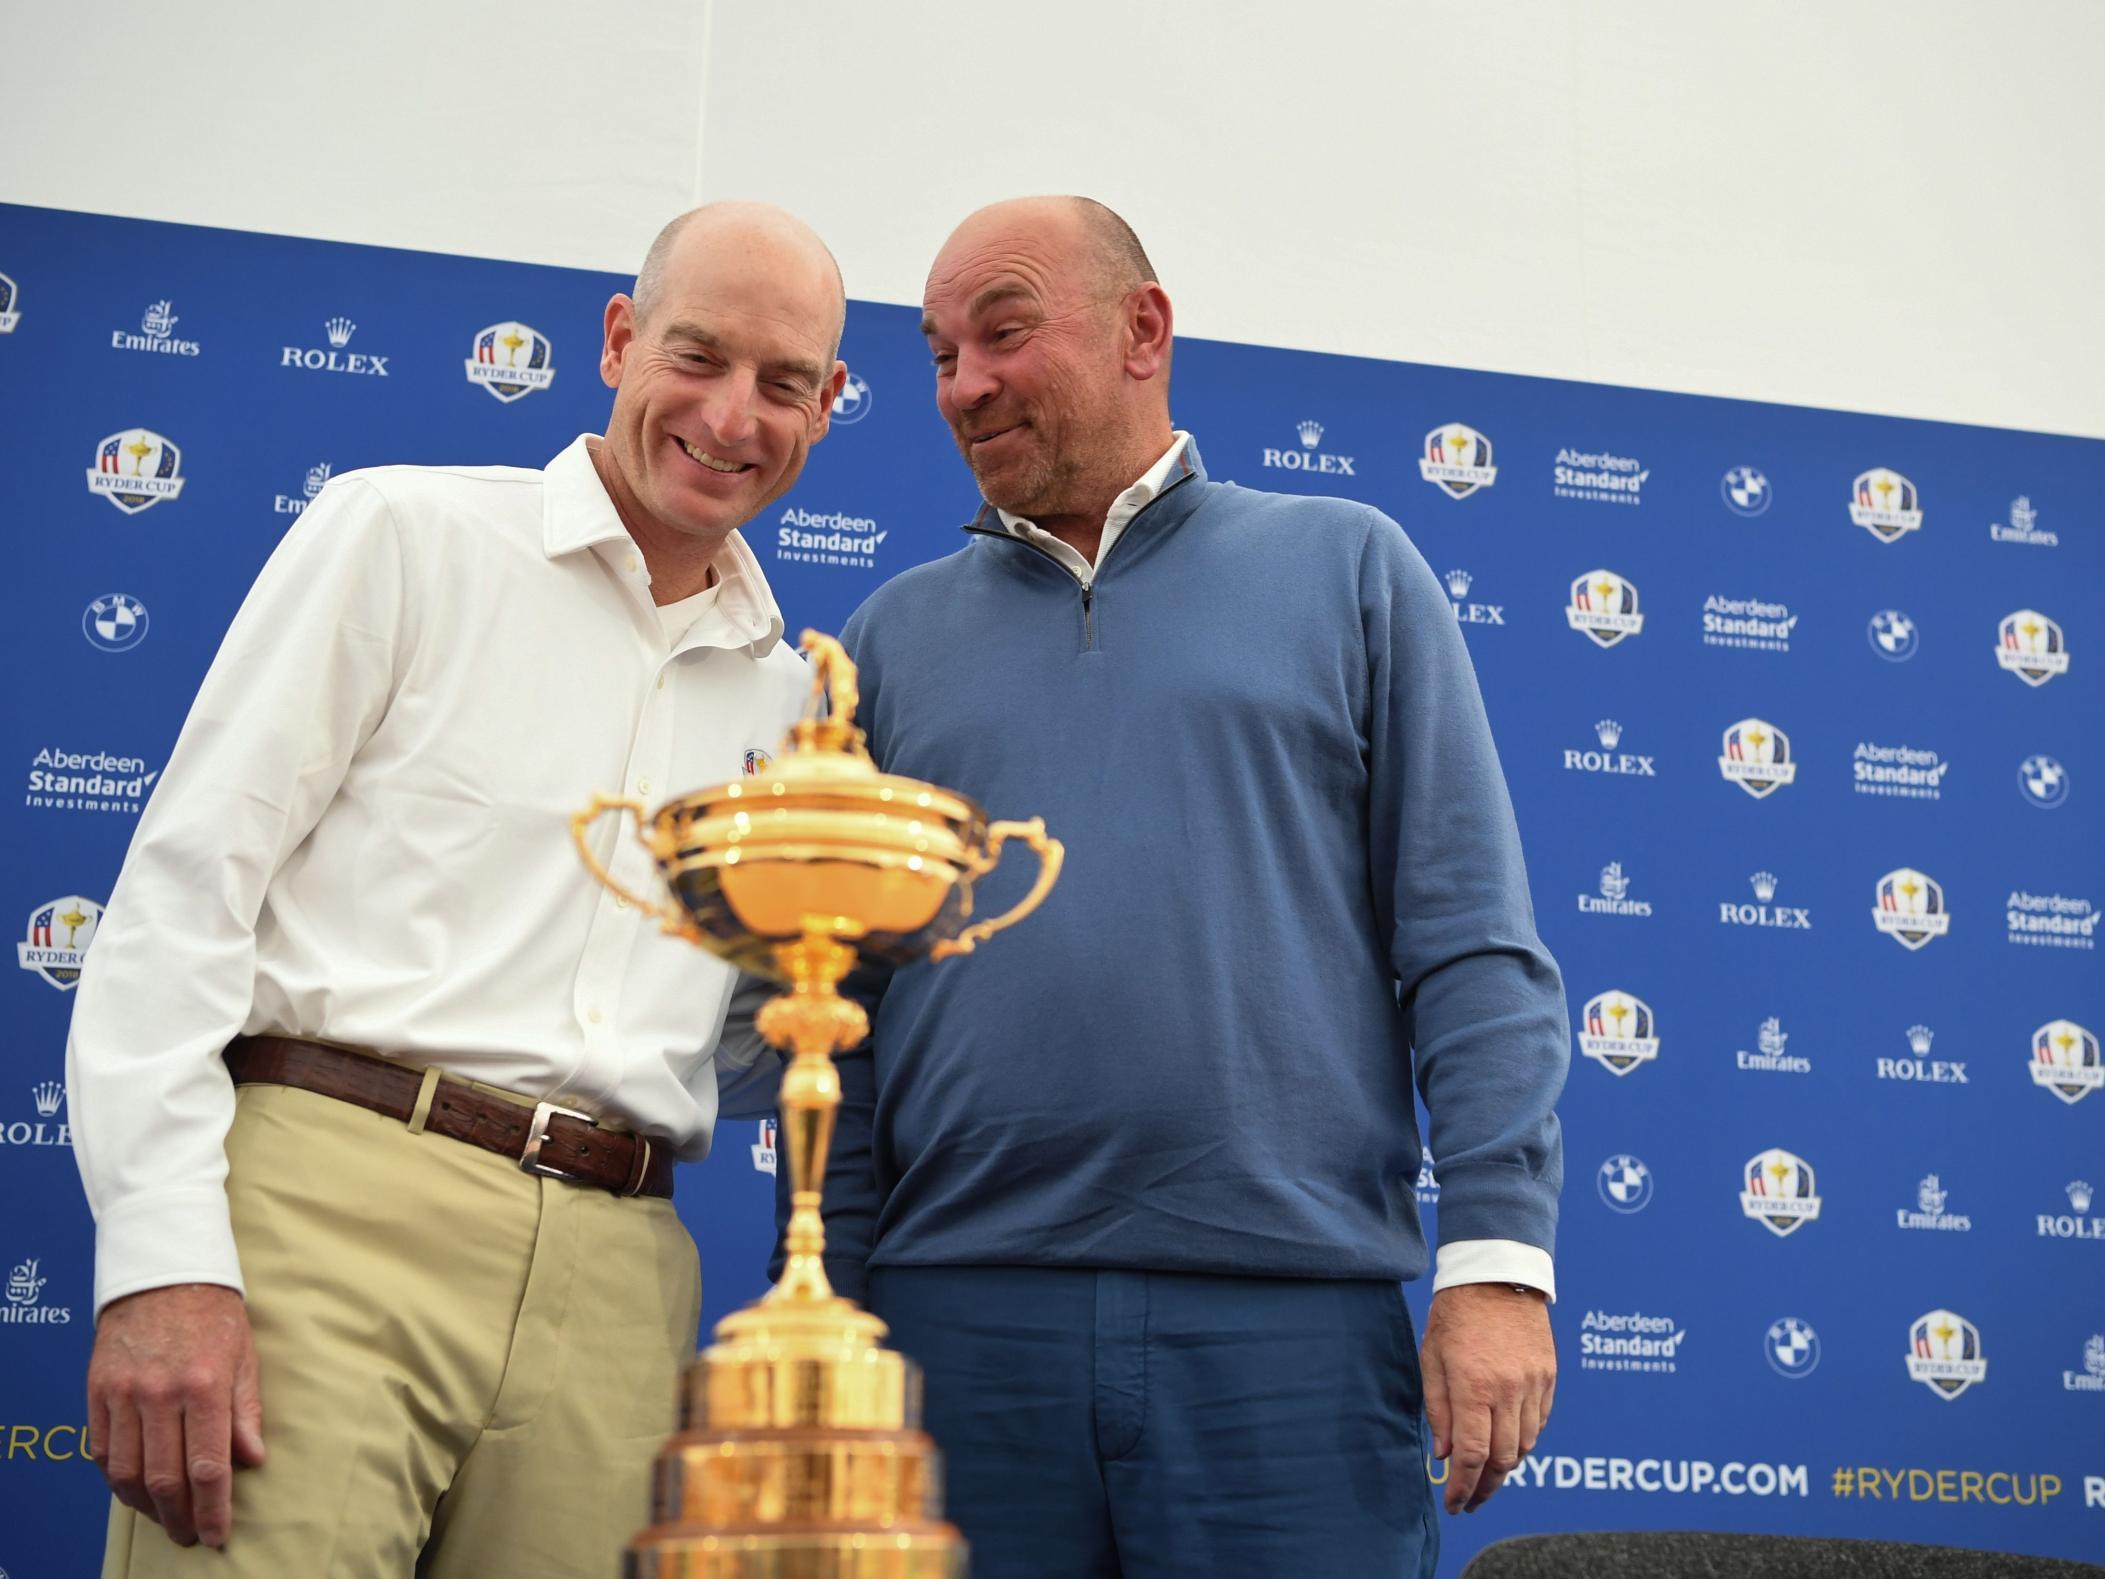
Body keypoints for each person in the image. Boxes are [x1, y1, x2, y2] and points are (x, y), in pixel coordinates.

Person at [785, 197, 1566, 1578]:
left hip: (1291, 1334)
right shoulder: (886, 639)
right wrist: (832, 1308)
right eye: (940, 353)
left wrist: (1496, 1261)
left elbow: (1468, 950)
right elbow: (831, 1013)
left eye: (1004, 333)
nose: (965, 384)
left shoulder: (1349, 569)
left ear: (1142, 328)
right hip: (951, 1330)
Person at [68, 201, 849, 1575]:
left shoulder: (796, 703)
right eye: (699, 355)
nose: (734, 416)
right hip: (328, 1219)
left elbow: (731, 1043)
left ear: (829, 406)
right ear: (617, 342)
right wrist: (163, 1260)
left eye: (784, 383)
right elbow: (184, 901)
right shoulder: (404, 534)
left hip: (623, 1275)